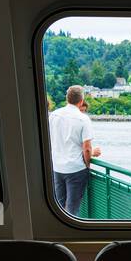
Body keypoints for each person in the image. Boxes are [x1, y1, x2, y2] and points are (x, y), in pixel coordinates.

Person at [48, 85, 101, 216]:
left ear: (67, 99)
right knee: (72, 209)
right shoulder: (83, 119)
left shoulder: (54, 115)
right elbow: (87, 148)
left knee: (59, 206)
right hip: (76, 169)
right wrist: (87, 165)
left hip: (57, 167)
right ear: (81, 101)